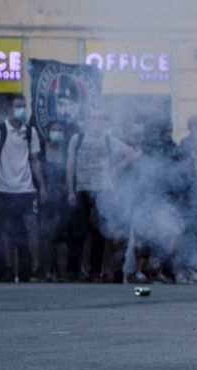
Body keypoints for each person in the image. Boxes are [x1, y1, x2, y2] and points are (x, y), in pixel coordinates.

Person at [66, 102, 139, 281]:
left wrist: (116, 168)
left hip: (102, 190)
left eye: (100, 119)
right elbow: (70, 165)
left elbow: (134, 153)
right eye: (93, 118)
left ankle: (95, 271)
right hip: (82, 188)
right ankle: (74, 270)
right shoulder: (77, 138)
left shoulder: (108, 139)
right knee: (78, 232)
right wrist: (70, 190)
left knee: (99, 233)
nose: (96, 122)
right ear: (87, 121)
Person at [0, 94, 47, 281]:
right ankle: (9, 268)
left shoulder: (30, 132)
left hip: (26, 189)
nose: (21, 109)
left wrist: (42, 186)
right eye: (17, 106)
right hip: (5, 187)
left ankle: (35, 268)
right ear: (10, 108)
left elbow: (35, 161)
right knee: (6, 229)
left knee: (33, 227)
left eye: (23, 106)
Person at [40, 120, 72, 281]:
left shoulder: (67, 151)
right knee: (46, 235)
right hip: (45, 197)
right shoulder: (40, 148)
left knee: (61, 238)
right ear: (48, 130)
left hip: (62, 198)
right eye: (54, 129)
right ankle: (47, 272)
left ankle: (63, 274)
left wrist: (69, 191)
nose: (57, 132)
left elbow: (70, 173)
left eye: (60, 129)